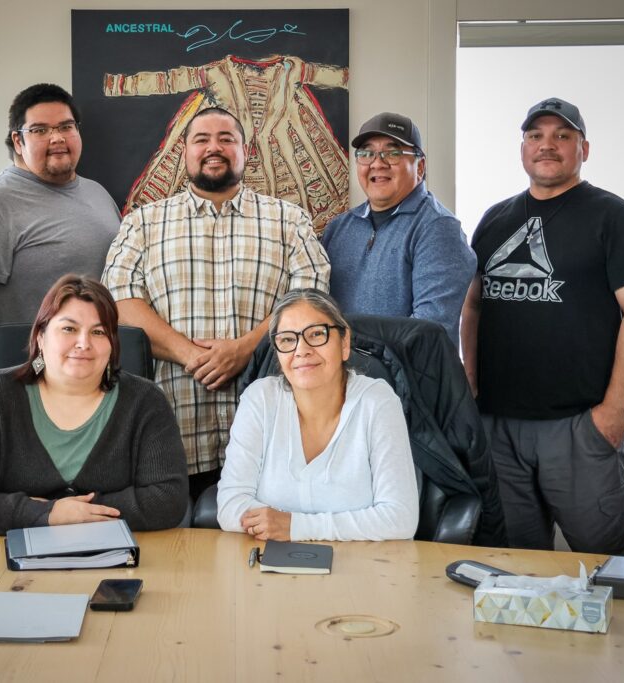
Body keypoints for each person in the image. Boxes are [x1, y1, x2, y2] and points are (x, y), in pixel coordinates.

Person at [460, 97, 624, 554]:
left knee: (606, 568)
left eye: (561, 136)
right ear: (523, 147)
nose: (546, 145)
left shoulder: (614, 218)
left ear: (583, 149)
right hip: (499, 429)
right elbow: (472, 306)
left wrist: (613, 412)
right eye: (536, 136)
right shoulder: (495, 219)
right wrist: (471, 380)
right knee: (513, 567)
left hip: (577, 427)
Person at [103, 107, 330, 498]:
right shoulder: (142, 223)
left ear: (246, 151)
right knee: (178, 553)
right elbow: (118, 304)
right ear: (184, 152)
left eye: (226, 138)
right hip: (173, 432)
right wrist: (191, 354)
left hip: (276, 435)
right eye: (201, 139)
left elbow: (312, 298)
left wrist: (247, 349)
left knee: (266, 548)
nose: (214, 147)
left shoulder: (290, 221)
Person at [0, 275, 189, 535]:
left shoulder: (145, 401)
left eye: (98, 332)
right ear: (41, 337)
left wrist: (75, 513)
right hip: (7, 562)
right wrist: (46, 514)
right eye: (69, 329)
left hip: (118, 557)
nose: (83, 343)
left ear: (112, 344)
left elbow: (168, 499)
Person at [216, 289, 419, 541]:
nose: (302, 350)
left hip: (362, 569)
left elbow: (400, 519)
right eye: (288, 340)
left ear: (344, 343)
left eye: (316, 334)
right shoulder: (260, 399)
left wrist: (294, 526)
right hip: (268, 569)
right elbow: (230, 507)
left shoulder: (377, 401)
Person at [0, 83, 120, 356]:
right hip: (29, 377)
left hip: (95, 369)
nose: (57, 138)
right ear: (18, 141)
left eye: (66, 127)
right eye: (40, 130)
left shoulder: (98, 193)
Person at [321, 112, 475, 345]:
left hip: (407, 380)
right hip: (343, 377)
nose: (377, 163)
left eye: (392, 152)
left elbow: (427, 332)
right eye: (366, 153)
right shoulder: (339, 229)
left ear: (420, 166)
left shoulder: (438, 228)